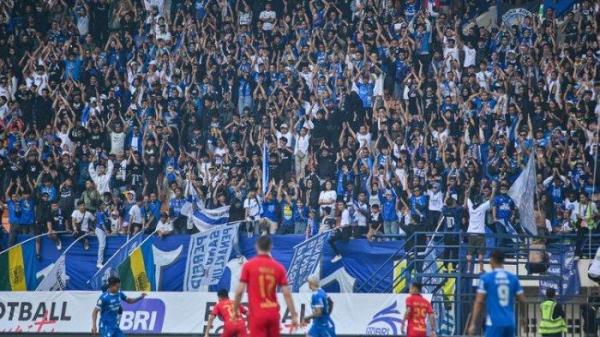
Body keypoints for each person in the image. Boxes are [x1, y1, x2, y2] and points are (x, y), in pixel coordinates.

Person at [232, 235, 299, 337]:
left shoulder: (249, 266)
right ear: (271, 247)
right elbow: (287, 294)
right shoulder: (279, 267)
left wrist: (235, 311)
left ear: (256, 246)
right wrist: (293, 315)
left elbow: (239, 291)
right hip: (273, 313)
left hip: (257, 314)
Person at [468, 250, 526, 337]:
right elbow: (522, 300)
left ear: (492, 260)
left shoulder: (486, 278)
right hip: (510, 322)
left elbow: (479, 302)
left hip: (494, 322)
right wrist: (523, 317)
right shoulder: (513, 278)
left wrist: (473, 323)